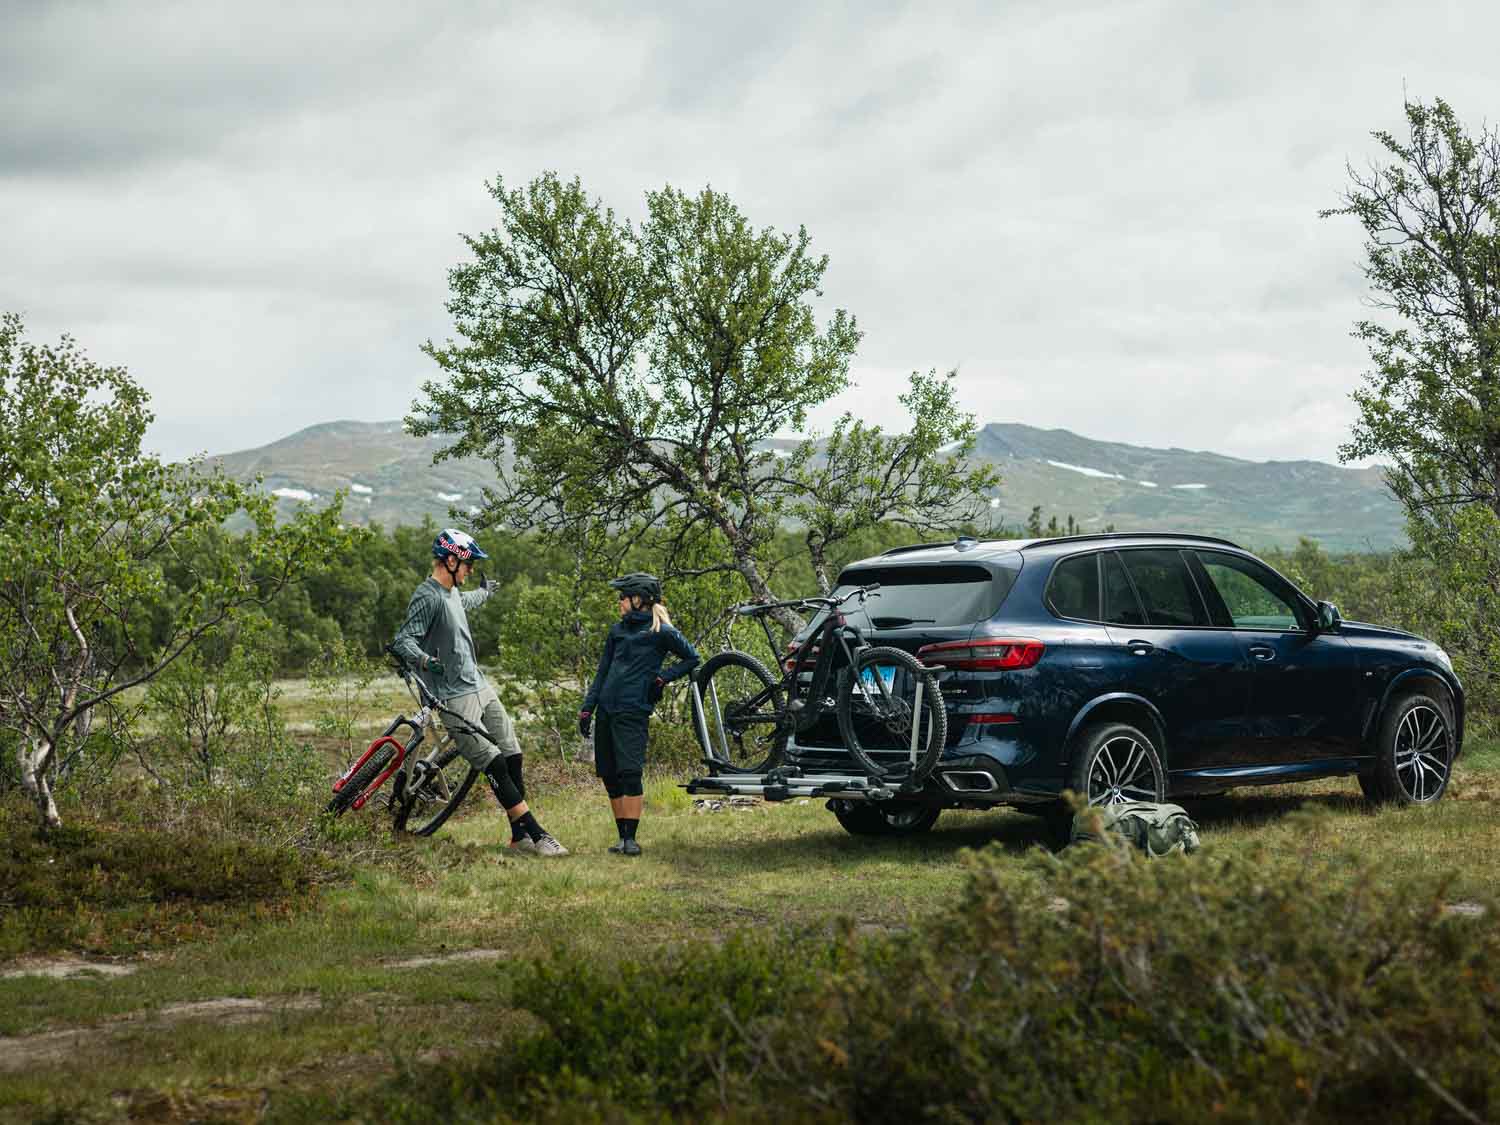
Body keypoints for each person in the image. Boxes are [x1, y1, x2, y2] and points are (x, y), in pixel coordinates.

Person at [392, 528, 568, 857]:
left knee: (512, 754)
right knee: (493, 763)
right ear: (450, 560)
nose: (471, 569)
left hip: (479, 685)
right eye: (468, 564)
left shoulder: (453, 592)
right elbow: (404, 640)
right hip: (453, 696)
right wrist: (425, 660)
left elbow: (467, 601)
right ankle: (538, 834)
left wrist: (485, 592)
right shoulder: (427, 595)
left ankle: (518, 839)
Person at [578, 573, 699, 856]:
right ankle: (621, 838)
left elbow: (693, 658)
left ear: (639, 599)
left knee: (630, 773)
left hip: (633, 711)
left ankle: (631, 839)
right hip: (607, 709)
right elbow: (602, 672)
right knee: (609, 775)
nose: (619, 602)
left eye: (623, 597)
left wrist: (662, 679)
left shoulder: (662, 632)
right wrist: (587, 708)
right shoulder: (617, 631)